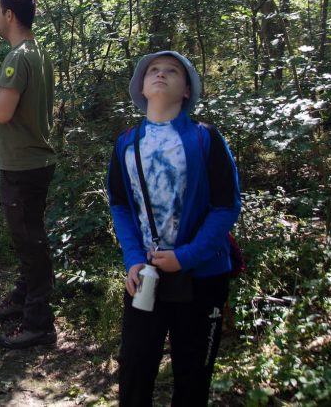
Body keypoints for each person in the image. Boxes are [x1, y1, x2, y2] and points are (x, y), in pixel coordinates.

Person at [106, 51, 241, 406]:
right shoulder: (127, 142)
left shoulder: (204, 139)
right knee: (134, 367)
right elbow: (120, 204)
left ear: (187, 89)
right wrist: (133, 259)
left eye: (172, 71)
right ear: (142, 86)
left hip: (202, 276)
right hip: (145, 276)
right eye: (153, 70)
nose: (161, 74)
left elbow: (227, 205)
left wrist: (186, 256)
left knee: (193, 375)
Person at [0, 0, 57, 350]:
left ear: (9, 14)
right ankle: (22, 300)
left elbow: (2, 113)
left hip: (23, 164)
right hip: (35, 161)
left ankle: (38, 324)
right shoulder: (37, 53)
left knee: (30, 241)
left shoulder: (17, 57)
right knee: (28, 237)